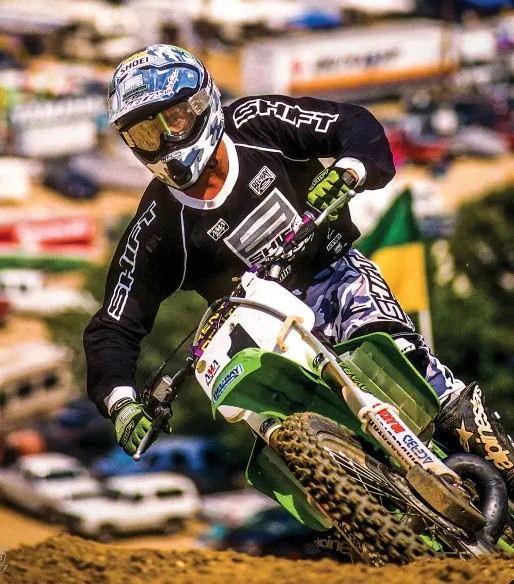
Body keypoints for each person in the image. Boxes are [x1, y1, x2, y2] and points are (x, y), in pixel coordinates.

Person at [83, 44, 514, 496]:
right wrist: (120, 401)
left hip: (335, 277)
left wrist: (349, 170)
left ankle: (495, 456)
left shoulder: (256, 122)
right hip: (263, 337)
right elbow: (112, 326)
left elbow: (353, 124)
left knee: (404, 364)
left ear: (201, 104)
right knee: (282, 452)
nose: (164, 140)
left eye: (172, 120)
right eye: (145, 133)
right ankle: (352, 506)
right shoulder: (156, 228)